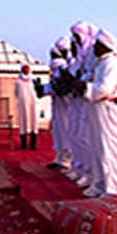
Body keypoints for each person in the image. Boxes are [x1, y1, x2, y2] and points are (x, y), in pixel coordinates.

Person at [83, 27, 117, 197]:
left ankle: (114, 188)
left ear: (104, 46)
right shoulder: (101, 64)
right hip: (99, 114)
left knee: (110, 151)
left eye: (97, 44)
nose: (94, 47)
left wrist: (84, 88)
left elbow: (105, 89)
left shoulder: (111, 63)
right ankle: (100, 184)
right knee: (99, 150)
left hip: (110, 115)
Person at [64, 21, 96, 187]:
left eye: (77, 36)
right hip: (77, 101)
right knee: (76, 136)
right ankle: (80, 168)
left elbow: (92, 75)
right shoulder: (80, 57)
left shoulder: (93, 53)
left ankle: (90, 174)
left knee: (87, 139)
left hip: (88, 101)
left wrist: (79, 81)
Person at [44, 36, 72, 169]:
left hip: (67, 107)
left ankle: (67, 159)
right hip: (58, 107)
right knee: (58, 132)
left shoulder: (65, 69)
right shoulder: (57, 71)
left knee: (66, 133)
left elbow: (64, 87)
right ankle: (60, 158)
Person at [14, 63, 38, 150]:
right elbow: (16, 93)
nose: (26, 70)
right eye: (24, 68)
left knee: (33, 122)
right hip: (23, 104)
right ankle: (23, 144)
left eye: (28, 68)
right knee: (23, 122)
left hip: (33, 103)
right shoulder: (18, 81)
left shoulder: (33, 80)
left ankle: (33, 144)